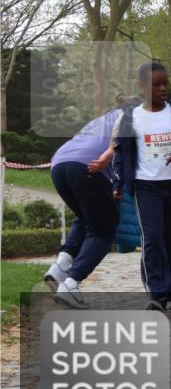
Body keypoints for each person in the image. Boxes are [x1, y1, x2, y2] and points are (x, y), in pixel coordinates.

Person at [113, 62, 171, 312]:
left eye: (166, 83)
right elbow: (121, 151)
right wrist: (118, 181)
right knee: (152, 238)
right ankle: (156, 293)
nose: (163, 88)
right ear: (142, 86)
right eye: (156, 85)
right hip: (146, 186)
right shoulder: (131, 117)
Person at [43, 105, 123, 308]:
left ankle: (60, 267)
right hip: (88, 166)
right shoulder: (133, 113)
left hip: (59, 163)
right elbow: (122, 137)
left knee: (86, 218)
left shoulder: (100, 120)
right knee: (103, 230)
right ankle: (71, 284)